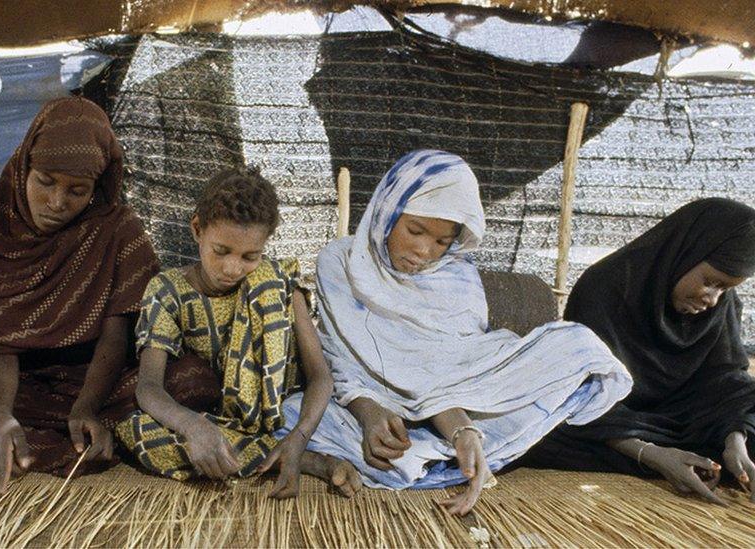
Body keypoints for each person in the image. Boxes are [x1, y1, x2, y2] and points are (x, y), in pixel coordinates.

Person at [280, 149, 633, 514]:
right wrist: (369, 413)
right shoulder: (342, 261)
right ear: (388, 211)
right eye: (414, 230)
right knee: (290, 415)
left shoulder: (457, 279)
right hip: (365, 407)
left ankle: (455, 453)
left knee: (577, 345)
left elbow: (449, 372)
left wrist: (464, 433)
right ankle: (404, 457)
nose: (423, 250)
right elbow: (338, 359)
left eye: (441, 242)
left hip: (449, 409)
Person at [0, 97, 219, 492]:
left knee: (193, 378)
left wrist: (86, 407)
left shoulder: (119, 233)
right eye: (45, 181)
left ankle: (57, 434)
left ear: (96, 189)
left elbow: (118, 337)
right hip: (14, 387)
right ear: (22, 169)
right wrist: (0, 416)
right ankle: (43, 435)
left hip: (100, 381)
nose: (57, 202)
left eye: (77, 191)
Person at [116, 166, 358, 499]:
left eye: (250, 256)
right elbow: (148, 388)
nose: (233, 268)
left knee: (268, 283)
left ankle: (284, 450)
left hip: (282, 414)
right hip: (214, 419)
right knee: (135, 431)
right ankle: (299, 460)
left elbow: (321, 378)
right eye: (221, 251)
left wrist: (299, 437)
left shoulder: (279, 285)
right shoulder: (167, 291)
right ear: (197, 229)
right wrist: (195, 427)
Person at [520, 197, 755, 505]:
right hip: (611, 420)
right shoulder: (604, 287)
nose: (712, 299)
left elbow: (724, 379)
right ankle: (670, 459)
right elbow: (583, 391)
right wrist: (653, 455)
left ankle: (719, 457)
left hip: (685, 417)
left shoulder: (720, 306)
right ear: (686, 251)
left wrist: (735, 440)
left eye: (724, 288)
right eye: (710, 282)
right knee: (537, 432)